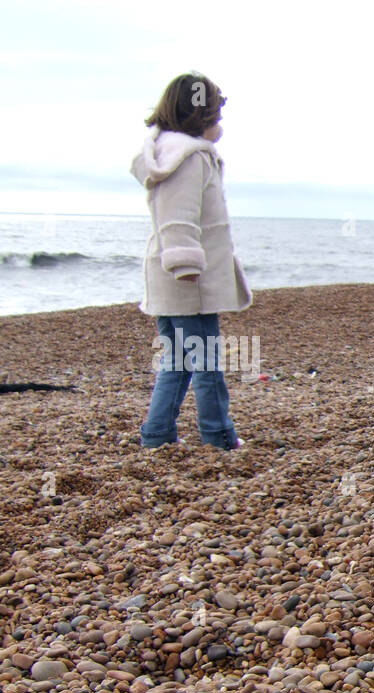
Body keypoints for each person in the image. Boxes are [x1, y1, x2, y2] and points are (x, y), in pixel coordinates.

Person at [132, 72, 251, 450]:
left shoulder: (171, 152)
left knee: (179, 359)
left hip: (171, 276)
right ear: (201, 116)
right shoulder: (190, 157)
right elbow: (178, 216)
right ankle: (218, 435)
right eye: (216, 114)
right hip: (187, 280)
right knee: (206, 361)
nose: (220, 122)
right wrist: (186, 266)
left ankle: (158, 434)